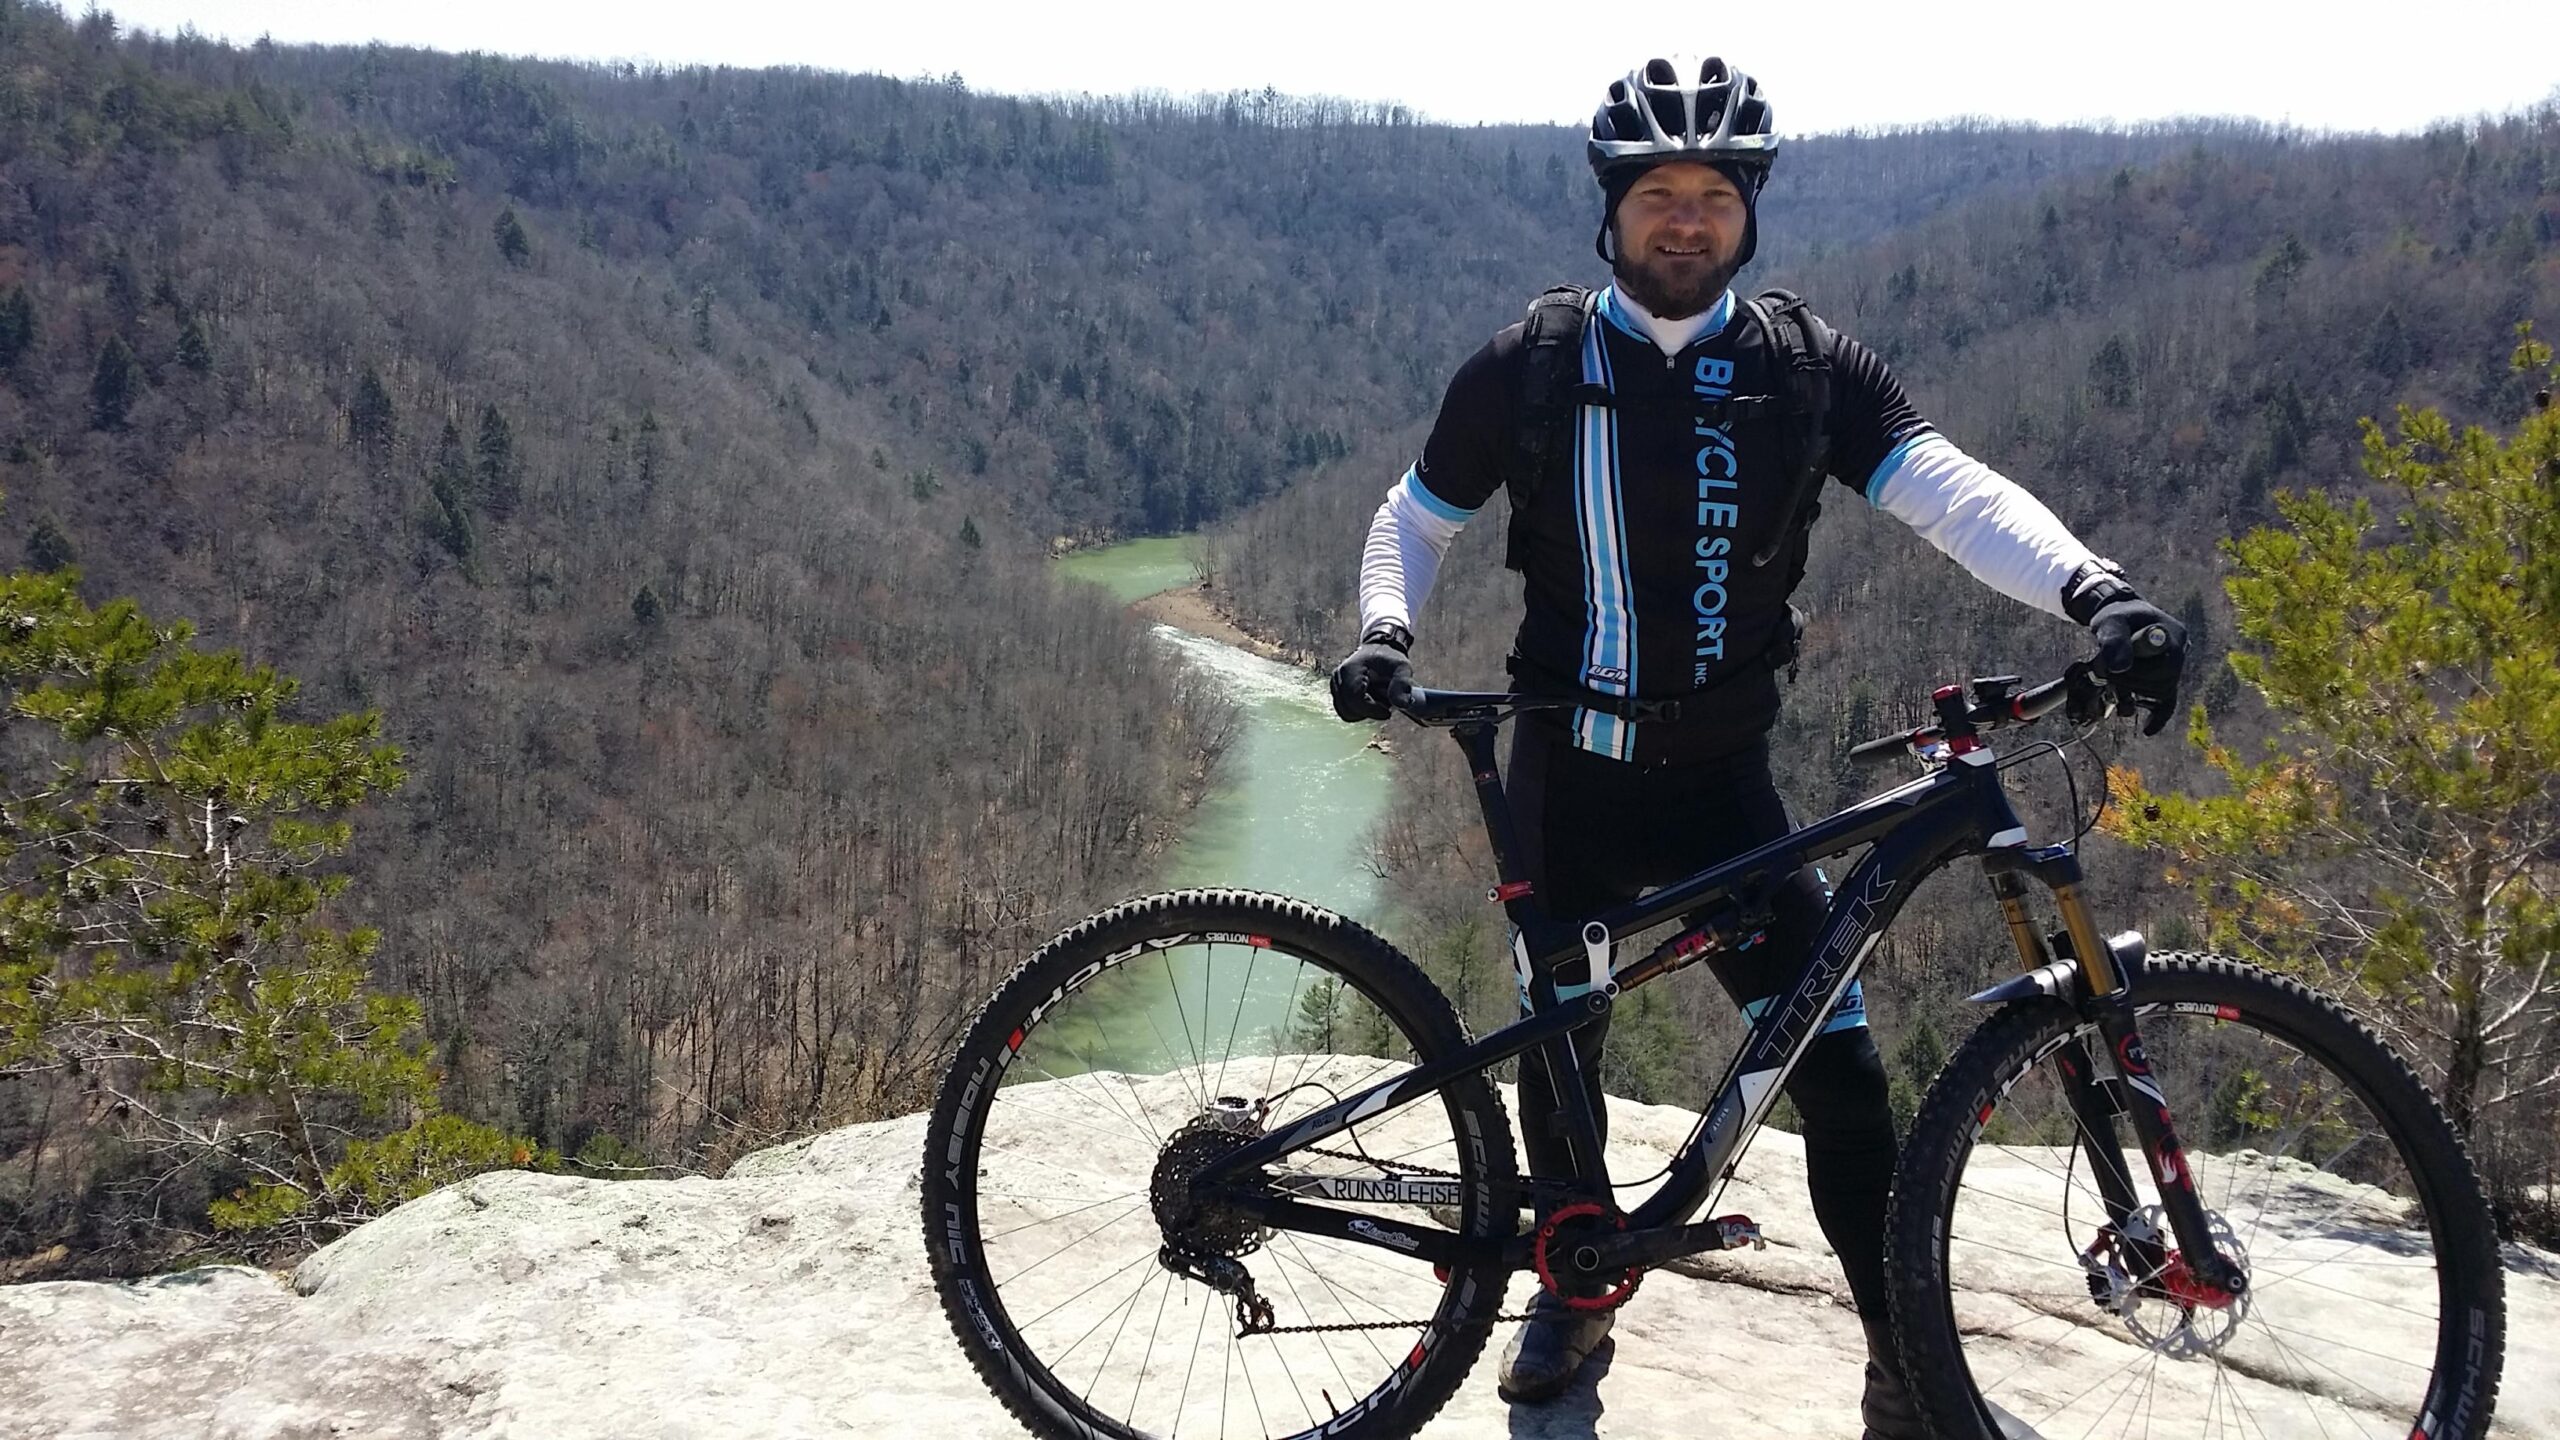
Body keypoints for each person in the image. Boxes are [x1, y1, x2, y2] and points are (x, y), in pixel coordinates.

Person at [1326, 56, 2187, 1438]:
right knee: (1564, 1055)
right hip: (1567, 776)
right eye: (1658, 195)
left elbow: (1947, 491)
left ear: (1749, 215)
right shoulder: (1535, 364)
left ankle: (1901, 1354)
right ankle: (1574, 1290)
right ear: (1610, 213)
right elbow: (1414, 515)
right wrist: (1385, 631)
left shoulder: (1803, 369)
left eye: (1711, 198)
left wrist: (2093, 586)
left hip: (1729, 793)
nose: (1684, 220)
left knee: (1841, 1076)